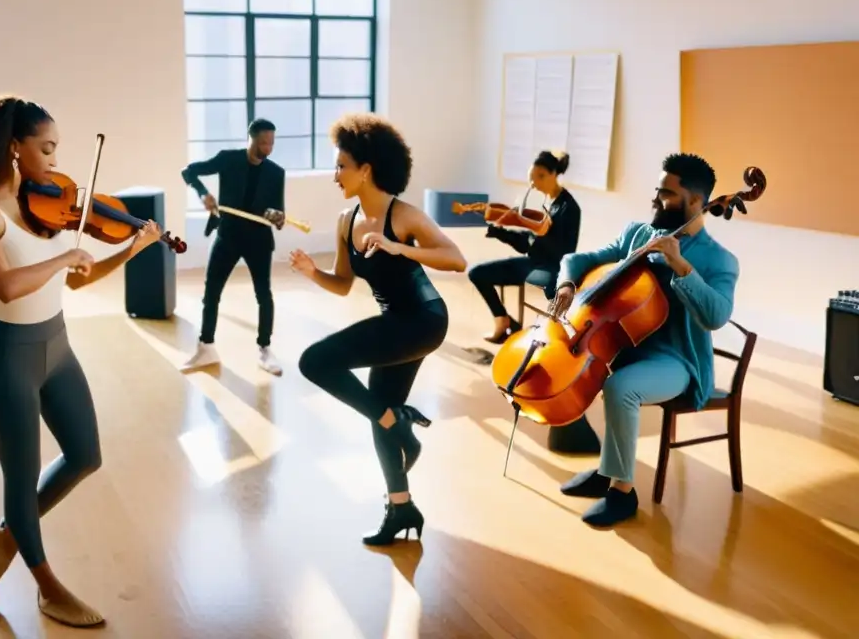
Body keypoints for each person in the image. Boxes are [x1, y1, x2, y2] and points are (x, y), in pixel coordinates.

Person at [0, 94, 162, 628]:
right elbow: (7, 287)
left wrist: (127, 250)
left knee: (85, 455)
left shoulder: (49, 209)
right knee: (21, 478)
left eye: (57, 149)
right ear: (13, 148)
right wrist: (66, 254)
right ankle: (47, 587)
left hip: (57, 348)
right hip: (7, 357)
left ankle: (3, 539)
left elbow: (77, 279)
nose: (56, 161)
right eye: (47, 148)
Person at [289, 114, 467, 546]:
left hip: (425, 320)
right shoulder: (345, 220)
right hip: (396, 323)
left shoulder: (402, 215)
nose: (335, 176)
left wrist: (397, 246)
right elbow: (344, 284)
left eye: (340, 166)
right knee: (379, 408)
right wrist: (314, 272)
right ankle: (401, 506)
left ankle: (398, 422)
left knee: (315, 361)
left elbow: (457, 259)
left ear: (365, 169)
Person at [548, 153, 739, 527]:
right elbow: (577, 258)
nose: (655, 199)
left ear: (697, 203)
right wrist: (568, 283)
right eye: (657, 190)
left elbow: (716, 315)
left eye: (666, 194)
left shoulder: (720, 260)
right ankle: (606, 470)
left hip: (677, 361)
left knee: (622, 387)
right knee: (585, 372)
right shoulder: (638, 235)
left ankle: (622, 492)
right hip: (627, 347)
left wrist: (681, 266)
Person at [180, 118, 286, 375]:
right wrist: (203, 193)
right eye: (263, 142)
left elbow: (280, 215)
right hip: (228, 235)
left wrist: (277, 216)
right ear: (250, 138)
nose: (268, 147)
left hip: (259, 240)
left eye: (272, 142)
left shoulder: (276, 173)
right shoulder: (228, 159)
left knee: (264, 294)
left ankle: (265, 349)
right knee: (212, 292)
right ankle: (206, 347)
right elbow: (189, 171)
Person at [468, 150, 580, 344]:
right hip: (534, 261)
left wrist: (533, 237)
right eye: (532, 178)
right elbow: (528, 242)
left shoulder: (569, 208)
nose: (535, 183)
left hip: (552, 268)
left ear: (554, 174)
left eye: (541, 177)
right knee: (476, 273)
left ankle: (551, 338)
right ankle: (503, 320)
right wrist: (500, 233)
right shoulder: (546, 202)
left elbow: (561, 251)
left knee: (550, 290)